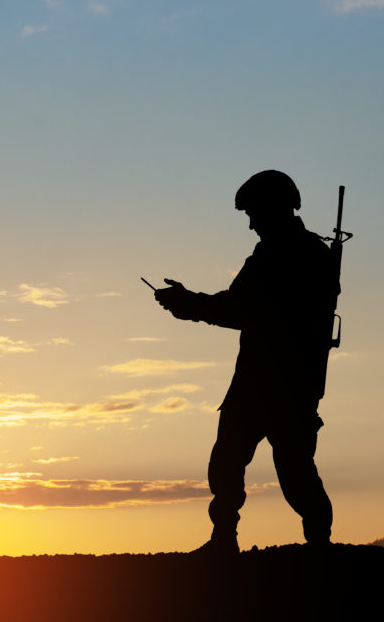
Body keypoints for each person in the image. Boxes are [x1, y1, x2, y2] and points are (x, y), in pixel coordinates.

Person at [153, 170, 336, 554]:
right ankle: (227, 539)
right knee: (229, 462)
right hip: (258, 383)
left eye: (254, 213)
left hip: (285, 386)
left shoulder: (294, 255)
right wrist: (193, 304)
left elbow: (241, 309)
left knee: (293, 471)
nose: (251, 224)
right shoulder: (282, 253)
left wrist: (191, 305)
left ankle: (319, 546)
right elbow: (240, 307)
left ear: (274, 208)